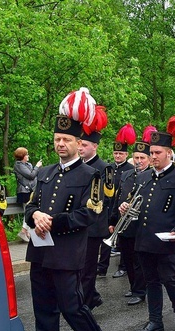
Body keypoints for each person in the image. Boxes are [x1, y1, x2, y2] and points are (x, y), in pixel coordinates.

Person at [27, 88, 111, 331]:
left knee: (73, 307)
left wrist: (53, 222)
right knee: (43, 311)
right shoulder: (46, 172)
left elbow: (89, 214)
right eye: (56, 140)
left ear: (79, 142)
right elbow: (31, 206)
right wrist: (34, 215)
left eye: (66, 140)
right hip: (40, 251)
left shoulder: (91, 176)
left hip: (66, 253)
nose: (60, 144)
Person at [133, 116, 175, 331]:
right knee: (151, 281)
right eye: (151, 153)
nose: (153, 157)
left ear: (169, 153)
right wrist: (126, 209)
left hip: (168, 238)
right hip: (144, 239)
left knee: (169, 278)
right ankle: (155, 321)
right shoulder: (143, 178)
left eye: (157, 153)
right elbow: (137, 206)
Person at [109, 127, 153, 305]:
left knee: (138, 260)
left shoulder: (152, 176)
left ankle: (140, 290)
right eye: (136, 158)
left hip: (142, 225)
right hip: (124, 223)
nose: (139, 161)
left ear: (149, 159)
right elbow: (117, 196)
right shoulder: (126, 174)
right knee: (126, 258)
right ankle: (133, 286)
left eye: (143, 158)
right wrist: (112, 220)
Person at [78, 111, 112, 310]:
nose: (81, 148)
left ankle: (86, 301)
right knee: (79, 265)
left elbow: (108, 196)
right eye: (80, 144)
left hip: (95, 223)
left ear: (95, 146)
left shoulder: (103, 168)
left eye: (85, 145)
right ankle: (92, 296)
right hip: (80, 223)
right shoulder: (78, 166)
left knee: (89, 267)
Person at [96, 132, 135, 278]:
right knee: (107, 237)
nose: (117, 156)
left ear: (126, 154)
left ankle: (123, 266)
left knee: (123, 240)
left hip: (124, 206)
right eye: (115, 153)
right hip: (109, 206)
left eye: (120, 153)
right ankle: (102, 267)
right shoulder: (109, 168)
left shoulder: (130, 169)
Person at [14, 147, 42, 242]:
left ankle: (26, 232)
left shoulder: (28, 164)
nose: (28, 156)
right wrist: (37, 166)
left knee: (32, 210)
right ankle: (24, 231)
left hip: (32, 191)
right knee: (28, 211)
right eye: (26, 154)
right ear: (22, 156)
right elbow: (31, 175)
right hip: (24, 192)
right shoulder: (18, 165)